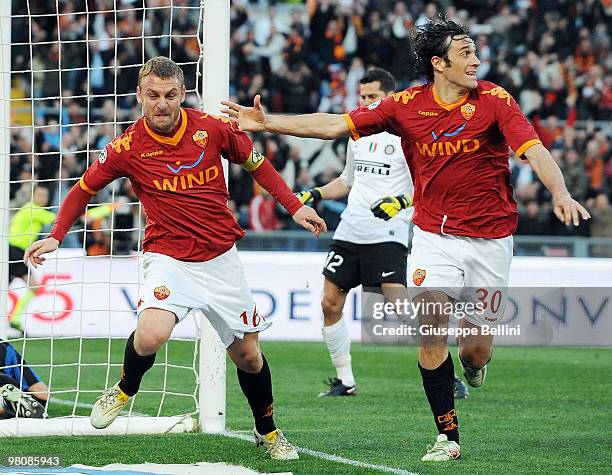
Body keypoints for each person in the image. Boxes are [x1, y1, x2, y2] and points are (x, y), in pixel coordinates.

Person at [221, 17, 589, 462]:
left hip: (492, 241)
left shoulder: (495, 100)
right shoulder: (404, 106)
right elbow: (335, 125)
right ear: (439, 63)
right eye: (466, 53)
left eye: (475, 52)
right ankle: (447, 439)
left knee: (474, 351)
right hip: (433, 236)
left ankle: (473, 367)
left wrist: (561, 192)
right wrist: (269, 124)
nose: (476, 60)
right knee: (432, 330)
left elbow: (534, 151)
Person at [24, 56, 326, 460]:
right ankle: (124, 389)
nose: (162, 103)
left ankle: (267, 432)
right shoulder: (126, 147)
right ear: (139, 96)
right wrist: (57, 236)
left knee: (249, 357)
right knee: (150, 334)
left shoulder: (213, 129)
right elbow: (82, 189)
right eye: (153, 95)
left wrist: (294, 205)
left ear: (183, 95)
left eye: (170, 95)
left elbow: (258, 165)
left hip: (220, 258)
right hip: (168, 257)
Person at [296, 67, 469, 399]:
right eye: (361, 97)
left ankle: (447, 375)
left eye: (372, 97)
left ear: (390, 98)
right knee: (329, 303)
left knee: (400, 309)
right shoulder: (357, 136)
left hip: (388, 232)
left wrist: (401, 201)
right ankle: (345, 381)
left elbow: (430, 187)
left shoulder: (410, 137)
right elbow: (347, 182)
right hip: (350, 229)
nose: (365, 103)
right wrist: (315, 193)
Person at [8, 185, 56, 332]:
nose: (43, 198)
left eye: (45, 195)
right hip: (13, 251)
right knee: (34, 287)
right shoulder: (33, 209)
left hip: (15, 252)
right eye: (40, 194)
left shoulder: (33, 210)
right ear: (33, 196)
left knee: (31, 287)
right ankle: (15, 319)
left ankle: (15, 319)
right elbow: (57, 219)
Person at [0, 339, 48, 419]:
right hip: (7, 381)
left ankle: (7, 404)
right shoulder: (5, 347)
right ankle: (8, 404)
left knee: (42, 394)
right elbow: (42, 394)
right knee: (42, 394)